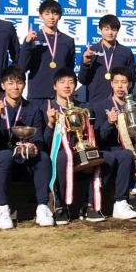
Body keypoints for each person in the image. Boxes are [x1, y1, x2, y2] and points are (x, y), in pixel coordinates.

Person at [0, 66, 52, 229]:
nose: (15, 87)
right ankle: (2, 209)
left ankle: (42, 206)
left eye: (19, 83)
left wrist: (34, 146)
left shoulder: (33, 108)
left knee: (43, 157)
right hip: (2, 153)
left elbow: (38, 137)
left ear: (24, 85)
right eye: (10, 83)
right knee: (4, 156)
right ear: (3, 85)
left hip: (25, 154)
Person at [46, 68, 105, 223]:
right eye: (62, 82)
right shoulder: (47, 108)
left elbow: (91, 135)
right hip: (57, 152)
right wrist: (51, 124)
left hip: (79, 149)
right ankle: (60, 206)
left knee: (96, 156)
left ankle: (90, 206)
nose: (67, 85)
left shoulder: (84, 109)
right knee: (63, 158)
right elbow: (44, 141)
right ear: (54, 86)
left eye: (71, 82)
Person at [89, 67, 136, 219]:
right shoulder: (100, 106)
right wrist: (109, 123)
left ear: (129, 84)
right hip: (108, 148)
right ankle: (121, 202)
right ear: (111, 84)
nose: (120, 86)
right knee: (125, 155)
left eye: (124, 82)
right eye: (116, 82)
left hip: (130, 147)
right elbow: (98, 138)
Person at [19, 0, 76, 113]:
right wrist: (27, 44)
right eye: (47, 13)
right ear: (41, 16)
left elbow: (69, 70)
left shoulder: (68, 41)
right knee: (38, 129)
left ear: (59, 16)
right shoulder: (33, 39)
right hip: (37, 95)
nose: (51, 17)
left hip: (60, 97)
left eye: (55, 13)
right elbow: (22, 68)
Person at [80, 14, 136, 104]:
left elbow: (131, 80)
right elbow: (83, 80)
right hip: (96, 102)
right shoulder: (91, 51)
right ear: (100, 30)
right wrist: (85, 63)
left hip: (119, 103)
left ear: (117, 31)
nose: (110, 33)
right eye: (106, 29)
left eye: (113, 29)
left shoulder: (126, 52)